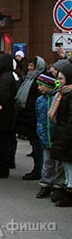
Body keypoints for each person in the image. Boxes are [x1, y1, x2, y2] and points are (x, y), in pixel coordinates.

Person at [14, 56, 46, 180]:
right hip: (28, 116)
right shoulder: (29, 78)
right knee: (34, 144)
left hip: (34, 117)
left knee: (37, 144)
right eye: (29, 65)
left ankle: (38, 170)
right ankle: (37, 169)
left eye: (32, 66)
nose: (29, 68)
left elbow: (35, 100)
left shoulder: (40, 79)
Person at [34, 72, 63, 200]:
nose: (39, 88)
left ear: (48, 85)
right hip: (45, 135)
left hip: (56, 135)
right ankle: (46, 183)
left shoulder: (58, 98)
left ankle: (58, 185)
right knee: (47, 162)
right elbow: (39, 118)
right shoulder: (40, 100)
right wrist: (40, 132)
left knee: (58, 163)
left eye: (41, 85)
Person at [50, 61, 72, 207]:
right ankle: (66, 190)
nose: (58, 82)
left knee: (70, 168)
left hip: (67, 136)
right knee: (66, 166)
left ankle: (69, 193)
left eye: (61, 79)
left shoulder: (69, 95)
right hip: (62, 134)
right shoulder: (62, 94)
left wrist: (65, 138)